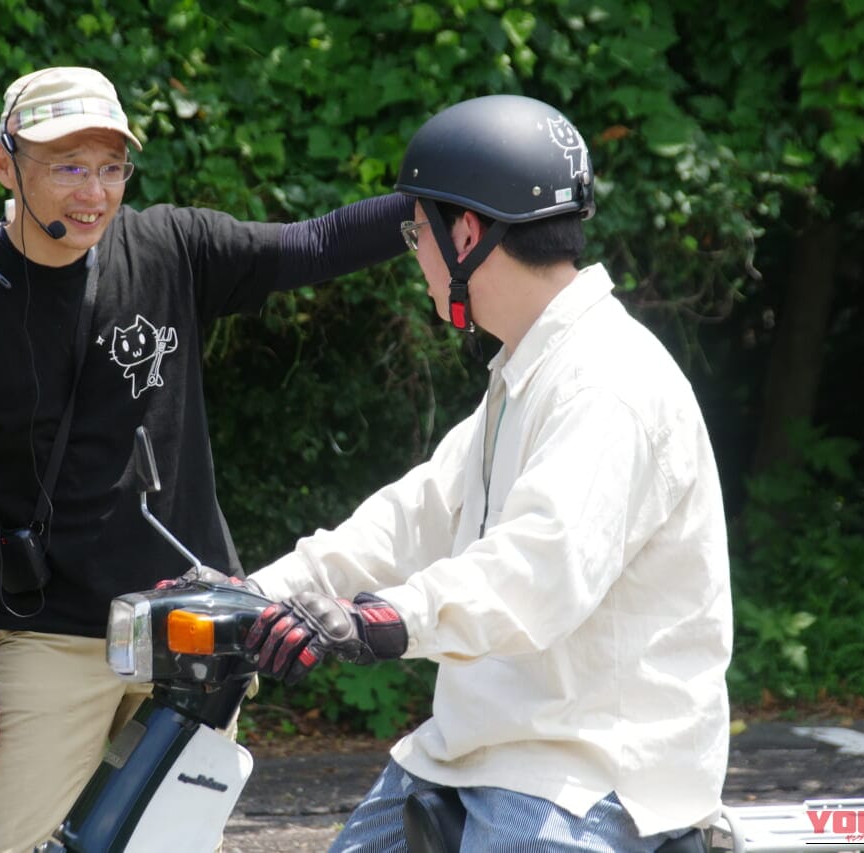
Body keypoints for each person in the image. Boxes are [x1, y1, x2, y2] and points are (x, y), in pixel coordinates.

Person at [0, 65, 412, 852]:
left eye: (111, 166)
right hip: (53, 635)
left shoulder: (169, 249)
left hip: (192, 629)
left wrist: (444, 197)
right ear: (4, 163)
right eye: (67, 166)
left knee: (164, 842)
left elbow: (315, 243)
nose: (94, 192)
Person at [241, 94, 733, 851]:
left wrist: (382, 618)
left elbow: (535, 572)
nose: (416, 255)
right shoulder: (530, 367)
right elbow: (417, 513)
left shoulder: (606, 382)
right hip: (478, 745)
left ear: (465, 233)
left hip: (586, 764)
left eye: (418, 232)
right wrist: (256, 593)